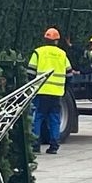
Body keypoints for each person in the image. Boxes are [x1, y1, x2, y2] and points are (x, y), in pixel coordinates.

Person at [27, 27, 73, 155]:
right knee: (54, 118)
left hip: (41, 91)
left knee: (38, 117)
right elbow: (69, 74)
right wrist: (63, 87)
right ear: (57, 41)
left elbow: (30, 72)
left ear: (45, 39)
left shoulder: (38, 52)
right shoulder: (62, 54)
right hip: (57, 93)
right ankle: (54, 146)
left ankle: (36, 145)